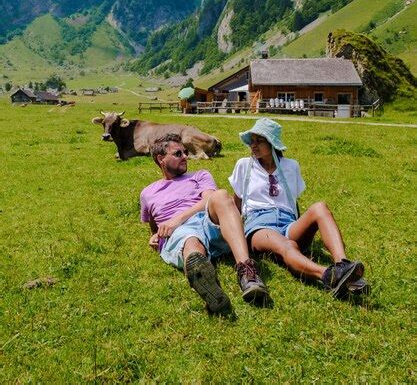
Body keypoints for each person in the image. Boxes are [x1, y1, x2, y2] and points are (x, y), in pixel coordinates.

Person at [229, 118, 369, 298]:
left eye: (259, 140)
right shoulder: (244, 165)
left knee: (320, 207)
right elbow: (236, 204)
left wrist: (300, 225)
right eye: (252, 141)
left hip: (288, 223)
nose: (253, 145)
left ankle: (342, 265)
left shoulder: (291, 166)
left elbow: (292, 202)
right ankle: (328, 275)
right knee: (288, 245)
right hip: (260, 225)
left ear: (272, 143)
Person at [140, 133, 269, 315]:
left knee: (221, 195)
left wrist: (178, 219)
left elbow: (209, 200)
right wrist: (154, 235)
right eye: (178, 154)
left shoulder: (200, 175)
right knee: (191, 242)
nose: (186, 156)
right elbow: (155, 226)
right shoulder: (148, 192)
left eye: (185, 152)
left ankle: (247, 272)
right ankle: (209, 287)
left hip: (207, 221)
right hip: (181, 233)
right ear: (161, 159)